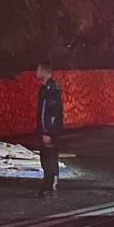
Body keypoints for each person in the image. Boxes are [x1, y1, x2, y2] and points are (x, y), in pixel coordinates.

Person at [36, 62, 64, 196]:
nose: (36, 72)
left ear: (45, 72)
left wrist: (48, 132)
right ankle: (47, 184)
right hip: (44, 130)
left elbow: (54, 113)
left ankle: (50, 186)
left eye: (38, 70)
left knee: (50, 158)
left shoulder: (52, 89)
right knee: (45, 158)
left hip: (49, 131)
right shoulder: (44, 89)